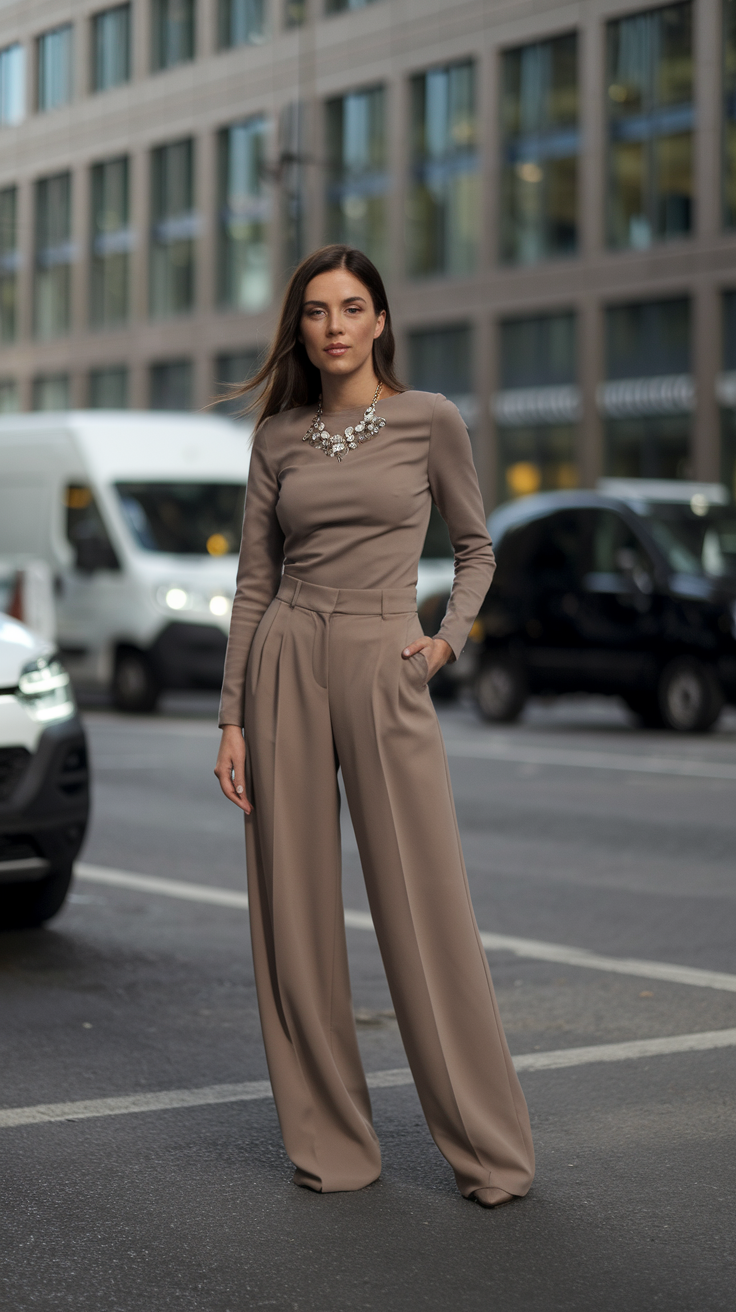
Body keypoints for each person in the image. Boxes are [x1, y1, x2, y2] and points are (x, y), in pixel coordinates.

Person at [214, 244, 534, 1207]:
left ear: (381, 320)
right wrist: (231, 717)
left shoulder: (429, 420)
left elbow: (476, 548)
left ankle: (490, 1152)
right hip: (286, 657)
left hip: (387, 658)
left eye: (353, 307)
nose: (335, 325)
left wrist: (444, 644)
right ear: (301, 330)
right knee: (294, 915)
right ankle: (333, 1148)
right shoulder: (276, 439)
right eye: (316, 311)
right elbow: (252, 583)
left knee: (424, 906)